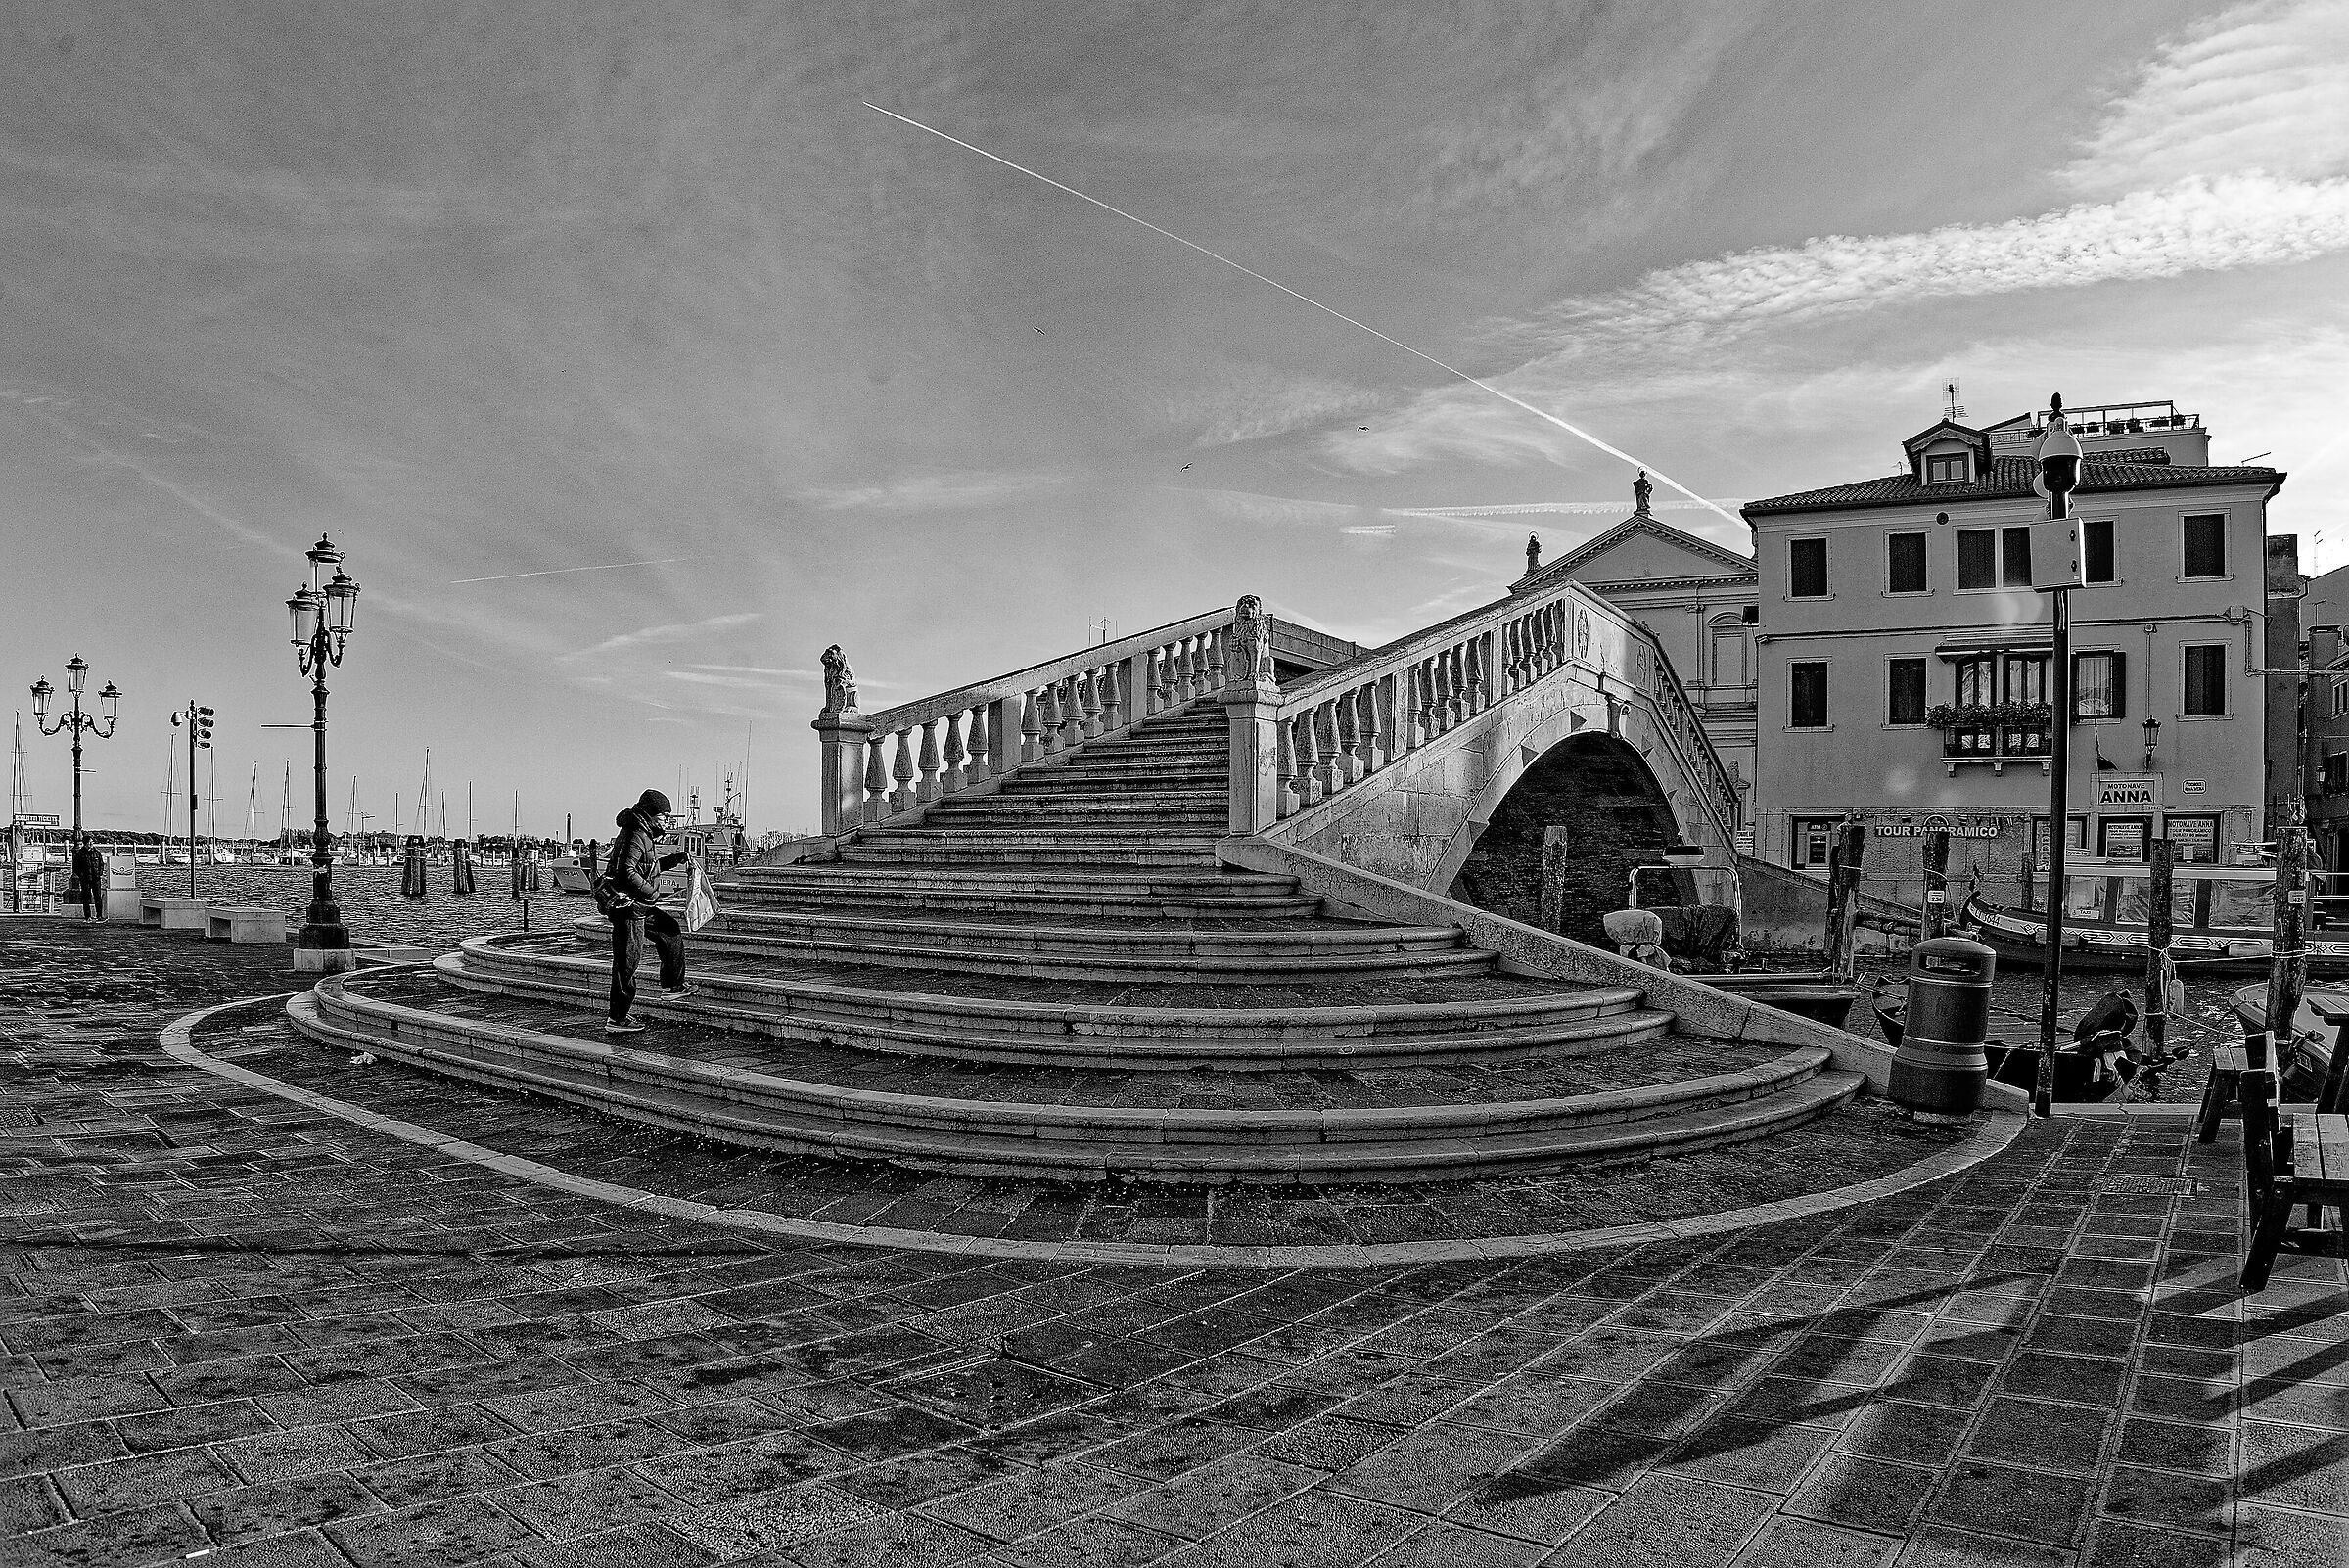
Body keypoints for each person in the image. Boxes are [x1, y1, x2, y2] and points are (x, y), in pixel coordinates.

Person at [599, 789, 694, 1033]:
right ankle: (617, 1018)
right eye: (663, 816)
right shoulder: (634, 834)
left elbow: (647, 867)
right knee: (627, 961)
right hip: (630, 908)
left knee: (670, 931)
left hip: (642, 906)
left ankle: (673, 986)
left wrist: (676, 859)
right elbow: (625, 872)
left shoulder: (644, 834)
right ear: (650, 814)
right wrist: (651, 893)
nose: (666, 821)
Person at [71, 835, 104, 921]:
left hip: (96, 879)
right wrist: (82, 875)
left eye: (92, 842)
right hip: (85, 880)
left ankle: (99, 915)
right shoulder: (80, 854)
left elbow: (101, 864)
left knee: (98, 897)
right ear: (86, 843)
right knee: (86, 898)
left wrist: (99, 873)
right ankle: (88, 916)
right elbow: (76, 867)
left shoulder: (97, 853)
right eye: (90, 842)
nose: (92, 843)